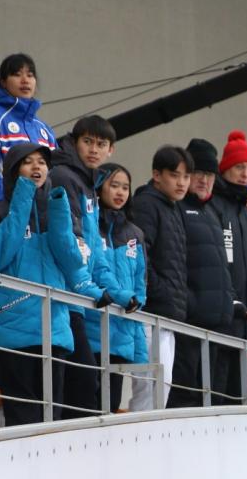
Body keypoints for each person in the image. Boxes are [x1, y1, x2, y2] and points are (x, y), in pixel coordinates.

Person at [0, 144, 95, 426]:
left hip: (54, 331)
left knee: (51, 419)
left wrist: (58, 211)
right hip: (14, 333)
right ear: (13, 171)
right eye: (27, 162)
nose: (36, 167)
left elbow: (73, 263)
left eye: (41, 162)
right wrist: (21, 202)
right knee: (22, 418)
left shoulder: (57, 212)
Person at [48, 114, 127, 419]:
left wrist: (114, 291)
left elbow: (93, 249)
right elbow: (69, 239)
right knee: (80, 382)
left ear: (111, 150)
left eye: (101, 144)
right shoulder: (67, 176)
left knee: (81, 382)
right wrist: (86, 285)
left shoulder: (87, 183)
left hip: (78, 295)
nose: (94, 149)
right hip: (66, 293)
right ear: (75, 141)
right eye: (88, 142)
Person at [168, 137, 235, 409]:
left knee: (214, 400)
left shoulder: (212, 213)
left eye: (209, 175)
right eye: (198, 174)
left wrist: (230, 302)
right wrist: (189, 302)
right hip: (191, 319)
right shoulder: (178, 209)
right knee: (185, 396)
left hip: (217, 321)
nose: (204, 180)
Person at [0, 53, 58, 243]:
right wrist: (16, 208)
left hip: (43, 228)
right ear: (3, 82)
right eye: (17, 74)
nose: (25, 80)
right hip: (3, 223)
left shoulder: (43, 129)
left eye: (30, 75)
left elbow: (56, 176)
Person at [127, 145, 193, 408]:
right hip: (150, 313)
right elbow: (142, 258)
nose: (182, 183)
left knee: (160, 390)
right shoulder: (146, 204)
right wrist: (162, 292)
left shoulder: (172, 208)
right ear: (157, 175)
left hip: (167, 314)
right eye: (175, 175)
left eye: (186, 177)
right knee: (148, 389)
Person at [208, 130, 247, 399]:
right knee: (216, 391)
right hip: (222, 317)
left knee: (238, 396)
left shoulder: (245, 213)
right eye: (240, 167)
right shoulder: (216, 205)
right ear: (226, 168)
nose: (245, 174)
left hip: (244, 321)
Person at [88, 164, 147, 413]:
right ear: (99, 188)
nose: (121, 192)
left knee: (111, 406)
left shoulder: (134, 233)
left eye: (125, 187)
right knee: (88, 406)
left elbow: (140, 280)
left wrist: (138, 301)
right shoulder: (88, 225)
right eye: (114, 185)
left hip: (121, 333)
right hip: (91, 330)